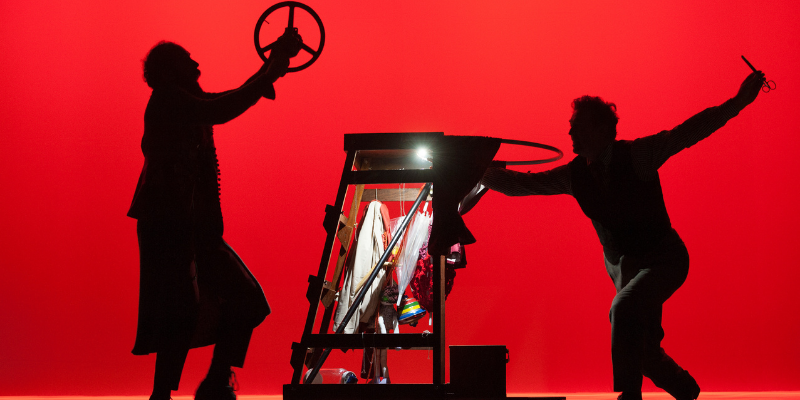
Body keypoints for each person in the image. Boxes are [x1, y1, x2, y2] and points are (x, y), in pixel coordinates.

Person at [481, 71, 765, 400]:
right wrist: (475, 171)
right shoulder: (575, 175)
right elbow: (522, 185)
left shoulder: (638, 155)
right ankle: (686, 390)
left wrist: (738, 102)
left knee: (624, 309)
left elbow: (689, 132)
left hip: (665, 261)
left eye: (578, 125)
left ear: (603, 130)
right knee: (642, 350)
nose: (570, 132)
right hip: (625, 268)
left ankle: (629, 397)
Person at [127, 34, 300, 400]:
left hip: (190, 229)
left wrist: (272, 65)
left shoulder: (181, 102)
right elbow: (223, 107)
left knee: (230, 303)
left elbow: (226, 100)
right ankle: (188, 390)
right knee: (180, 312)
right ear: (171, 72)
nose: (197, 66)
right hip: (170, 227)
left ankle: (211, 383)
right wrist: (272, 68)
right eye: (187, 61)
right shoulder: (170, 101)